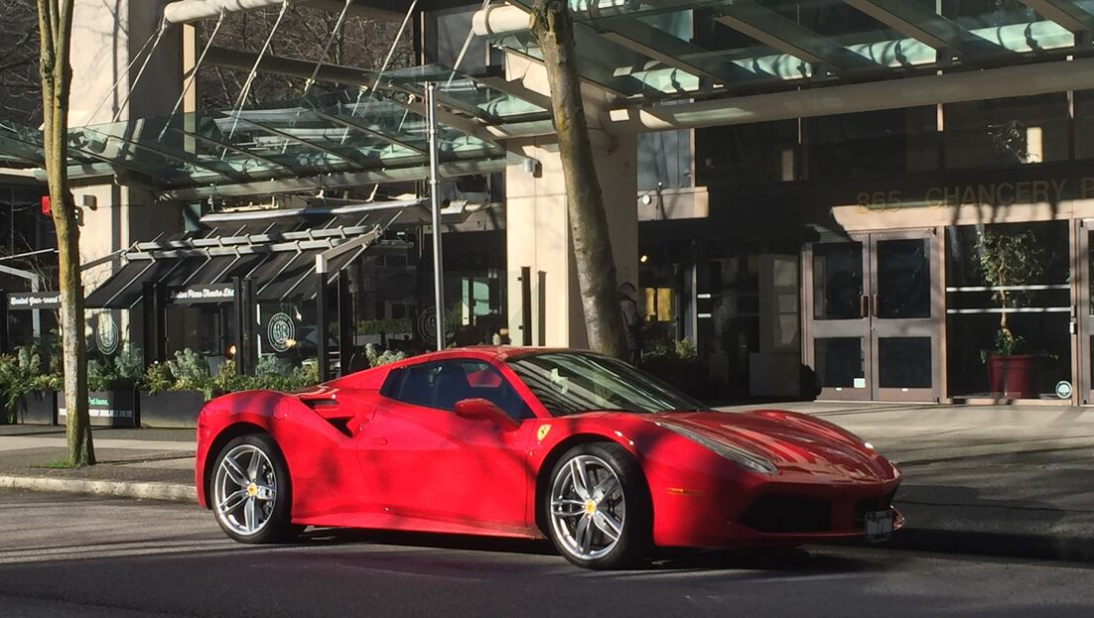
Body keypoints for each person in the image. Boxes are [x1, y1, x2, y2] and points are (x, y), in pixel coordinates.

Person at [618, 282, 644, 365]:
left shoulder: (618, 303)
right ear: (628, 292)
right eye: (633, 292)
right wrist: (641, 320)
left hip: (624, 341)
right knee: (634, 364)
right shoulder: (628, 304)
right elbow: (633, 321)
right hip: (632, 341)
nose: (634, 295)